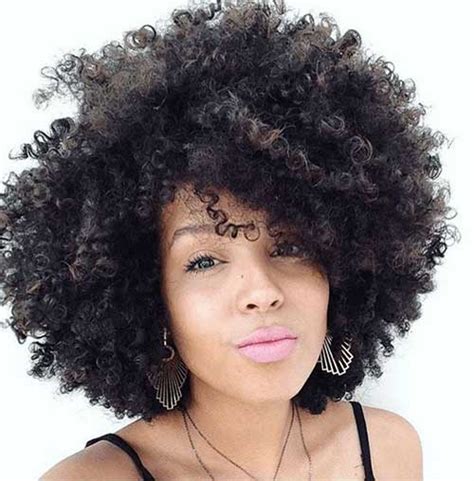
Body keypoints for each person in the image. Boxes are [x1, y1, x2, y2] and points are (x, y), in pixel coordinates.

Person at [0, 0, 458, 479]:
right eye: (204, 261)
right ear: (152, 302)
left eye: (289, 247)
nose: (262, 291)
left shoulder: (386, 449)